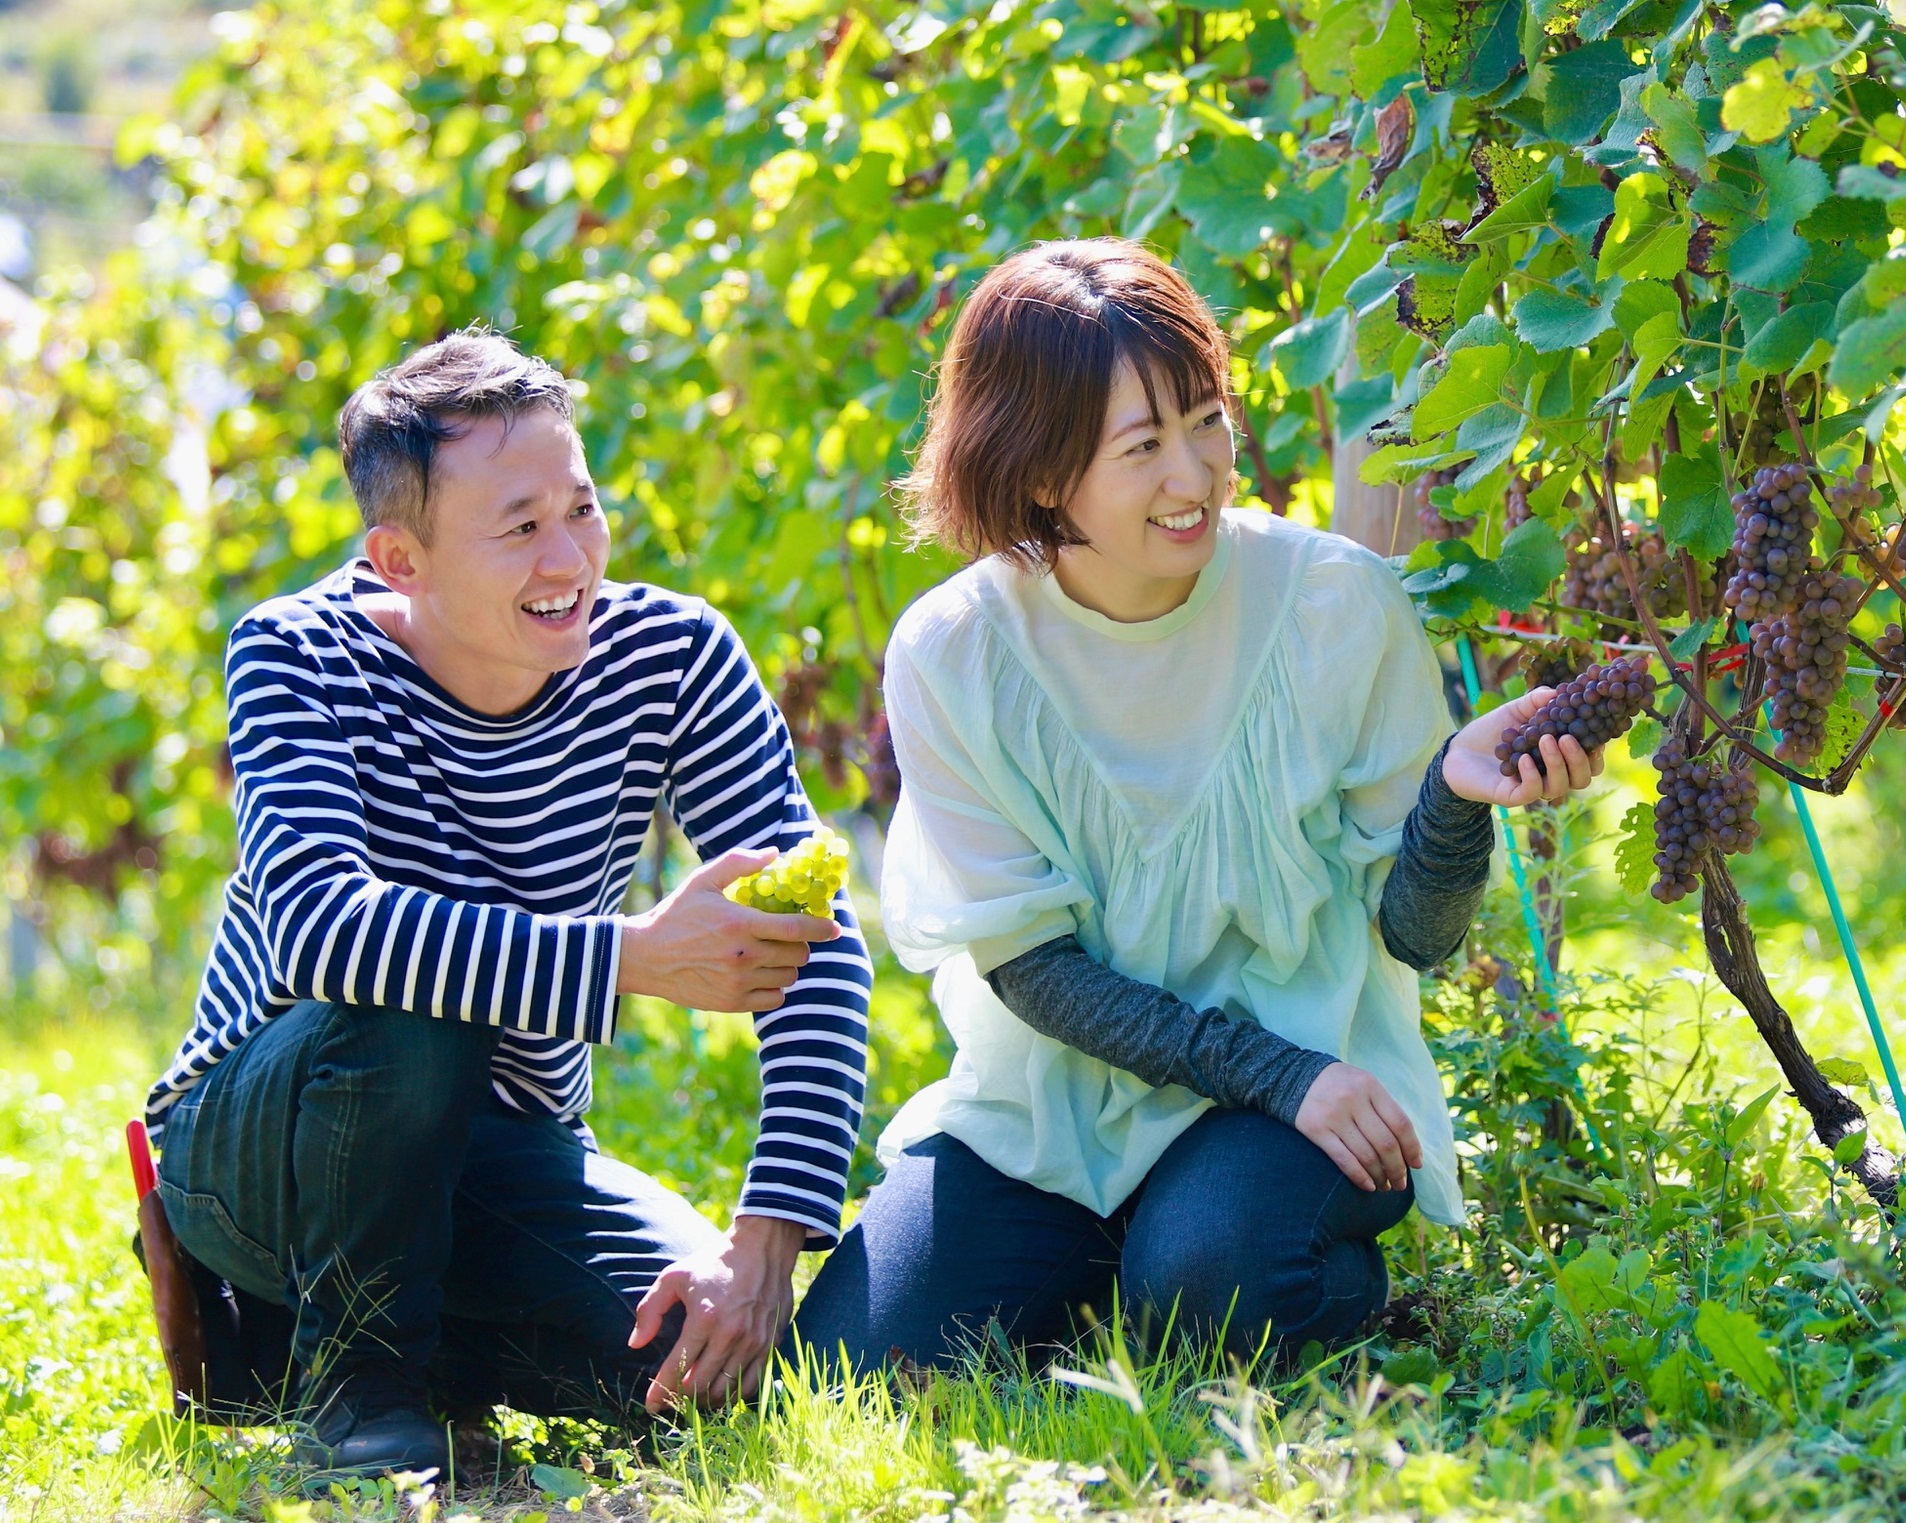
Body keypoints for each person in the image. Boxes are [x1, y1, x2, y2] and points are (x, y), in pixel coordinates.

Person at [791, 240, 1607, 1373]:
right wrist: (1271, 1068)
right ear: (1037, 471)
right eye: (1142, 447)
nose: (1196, 476)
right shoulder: (955, 652)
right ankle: (1125, 1261)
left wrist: (1453, 806)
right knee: (847, 1364)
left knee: (1209, 1295)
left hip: (1300, 1097)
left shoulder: (1331, 602)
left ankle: (1229, 1256)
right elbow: (1031, 968)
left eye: (1204, 419)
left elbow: (1412, 935)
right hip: (1058, 1109)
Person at [144, 331, 873, 1478]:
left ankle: (335, 1340)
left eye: (580, 508)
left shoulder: (674, 653)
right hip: (269, 1142)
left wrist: (765, 1239)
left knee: (704, 1372)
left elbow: (815, 943)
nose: (568, 555)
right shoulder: (294, 653)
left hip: (507, 1141)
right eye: (520, 526)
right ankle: (357, 1394)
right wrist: (628, 957)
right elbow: (321, 926)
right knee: (405, 999)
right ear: (401, 560)